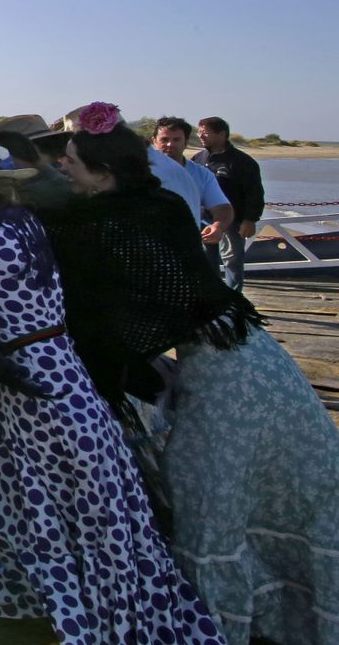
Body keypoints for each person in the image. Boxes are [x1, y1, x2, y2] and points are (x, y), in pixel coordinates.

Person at [47, 103, 339, 644]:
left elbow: (109, 316)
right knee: (270, 484)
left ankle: (218, 623)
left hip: (227, 375)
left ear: (103, 171)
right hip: (258, 355)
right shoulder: (158, 204)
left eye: (69, 160)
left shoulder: (105, 222)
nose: (61, 167)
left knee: (208, 499)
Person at [0, 140, 223, 642]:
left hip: (33, 382)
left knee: (46, 500)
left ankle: (52, 605)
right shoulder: (22, 223)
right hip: (54, 373)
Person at [193, 116, 264, 292]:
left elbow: (254, 193)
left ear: (222, 134)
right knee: (206, 261)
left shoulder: (242, 162)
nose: (201, 136)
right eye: (199, 132)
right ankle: (212, 296)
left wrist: (250, 219)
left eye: (205, 133)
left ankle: (234, 298)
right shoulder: (198, 159)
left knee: (232, 260)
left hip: (233, 221)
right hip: (204, 219)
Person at [153, 117, 233, 245]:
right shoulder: (138, 173)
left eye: (176, 139)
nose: (170, 144)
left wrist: (218, 226)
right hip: (146, 247)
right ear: (154, 142)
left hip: (186, 246)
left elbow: (222, 207)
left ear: (186, 142)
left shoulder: (202, 174)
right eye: (164, 139)